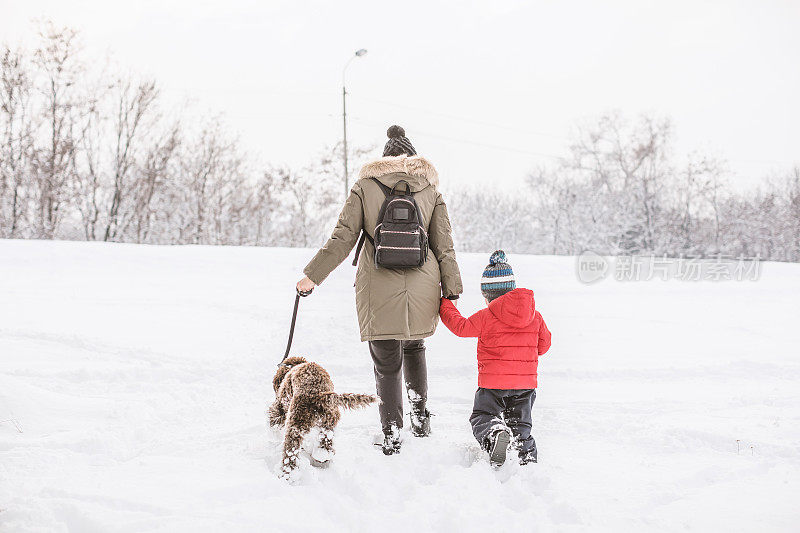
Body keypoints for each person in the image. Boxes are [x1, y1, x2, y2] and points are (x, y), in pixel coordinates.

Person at [296, 125, 462, 455]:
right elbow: (445, 246)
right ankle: (420, 418)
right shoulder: (430, 189)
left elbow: (342, 239)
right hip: (423, 284)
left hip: (378, 284)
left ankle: (392, 434)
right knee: (414, 348)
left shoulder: (365, 186)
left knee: (387, 360)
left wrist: (311, 277)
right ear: (414, 158)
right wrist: (452, 288)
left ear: (384, 159)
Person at [438, 250, 552, 467]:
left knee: (483, 415)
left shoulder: (487, 316)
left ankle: (495, 433)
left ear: (488, 295)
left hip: (493, 384)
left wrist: (445, 304)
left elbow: (460, 327)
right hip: (525, 385)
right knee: (521, 427)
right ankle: (527, 461)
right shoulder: (535, 316)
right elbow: (544, 345)